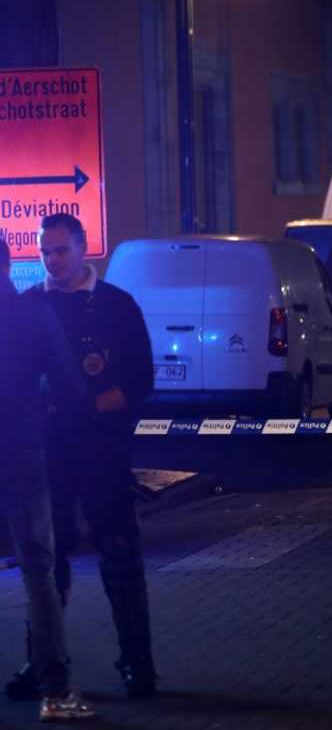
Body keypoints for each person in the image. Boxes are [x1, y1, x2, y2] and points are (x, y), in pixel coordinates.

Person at [8, 213, 158, 700]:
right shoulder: (29, 307)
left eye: (61, 250)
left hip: (102, 449)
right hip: (47, 453)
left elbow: (139, 380)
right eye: (44, 252)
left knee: (120, 557)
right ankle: (45, 662)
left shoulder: (116, 306)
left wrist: (94, 403)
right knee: (48, 563)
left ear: (83, 246)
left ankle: (139, 663)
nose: (51, 261)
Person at [0, 239, 97, 721]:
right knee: (39, 568)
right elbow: (71, 385)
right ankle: (54, 689)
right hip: (22, 449)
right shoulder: (32, 314)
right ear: (8, 262)